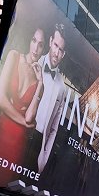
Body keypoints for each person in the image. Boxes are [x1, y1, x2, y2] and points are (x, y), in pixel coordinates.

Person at [0, 28, 45, 185]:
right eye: (34, 41)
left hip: (17, 142)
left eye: (40, 45)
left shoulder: (40, 82)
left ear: (43, 49)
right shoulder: (13, 56)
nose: (35, 48)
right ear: (29, 40)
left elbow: (30, 117)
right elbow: (0, 100)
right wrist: (26, 124)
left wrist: (40, 83)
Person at [33, 23, 67, 174]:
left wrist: (44, 160)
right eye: (55, 46)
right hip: (22, 132)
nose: (56, 53)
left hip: (38, 147)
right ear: (50, 41)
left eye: (60, 50)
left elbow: (54, 129)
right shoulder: (35, 63)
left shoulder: (62, 87)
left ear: (63, 54)